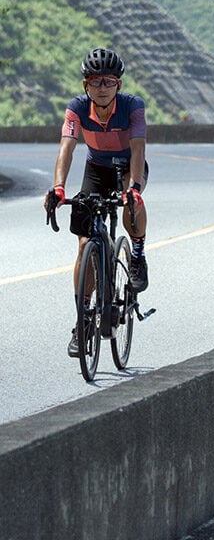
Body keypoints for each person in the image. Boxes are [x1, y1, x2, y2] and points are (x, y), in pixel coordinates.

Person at [44, 48, 149, 358]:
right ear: (85, 84)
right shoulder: (76, 108)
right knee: (84, 244)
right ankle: (83, 320)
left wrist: (134, 187)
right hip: (96, 169)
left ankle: (138, 254)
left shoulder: (132, 107)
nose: (102, 88)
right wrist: (59, 188)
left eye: (109, 81)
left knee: (133, 205)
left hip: (127, 166)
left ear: (118, 84)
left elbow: (139, 147)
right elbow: (66, 148)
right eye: (95, 82)